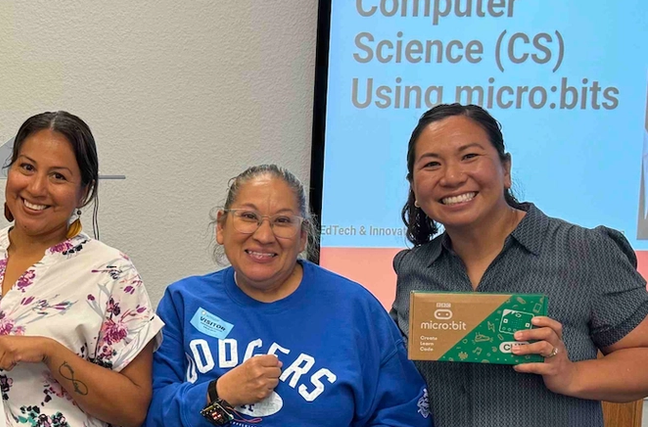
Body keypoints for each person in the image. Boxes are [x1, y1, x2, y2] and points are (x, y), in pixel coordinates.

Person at [392, 103, 648, 426]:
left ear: (506, 169)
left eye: (469, 156)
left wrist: (571, 375)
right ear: (414, 188)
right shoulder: (413, 269)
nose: (452, 177)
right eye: (431, 164)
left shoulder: (583, 250)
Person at [146, 165, 431, 427]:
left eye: (282, 221)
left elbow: (403, 415)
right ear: (222, 226)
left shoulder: (355, 309)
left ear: (303, 236)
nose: (264, 235)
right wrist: (219, 393)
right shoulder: (183, 302)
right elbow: (149, 412)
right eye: (248, 217)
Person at [0, 111, 162, 427]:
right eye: (26, 167)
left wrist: (50, 352)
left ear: (85, 191)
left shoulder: (112, 272)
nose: (37, 188)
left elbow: (132, 410)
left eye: (58, 176)